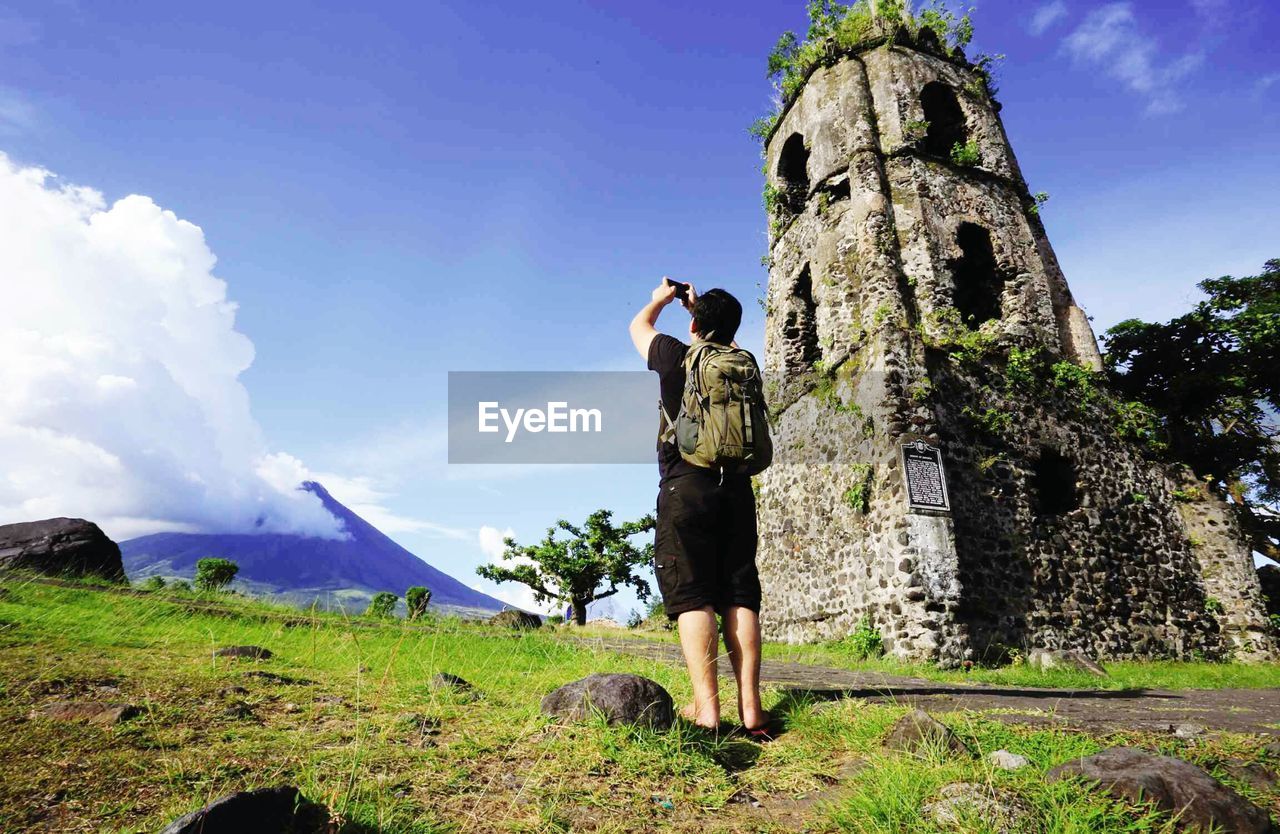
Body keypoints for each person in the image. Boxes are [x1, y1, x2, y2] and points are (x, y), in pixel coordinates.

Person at [628, 277, 767, 734]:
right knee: (739, 595)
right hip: (738, 490)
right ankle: (752, 711)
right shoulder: (744, 363)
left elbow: (638, 326)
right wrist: (706, 311)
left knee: (694, 597)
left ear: (692, 324)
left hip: (686, 485)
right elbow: (724, 341)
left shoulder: (675, 355)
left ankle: (707, 711)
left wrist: (662, 300)